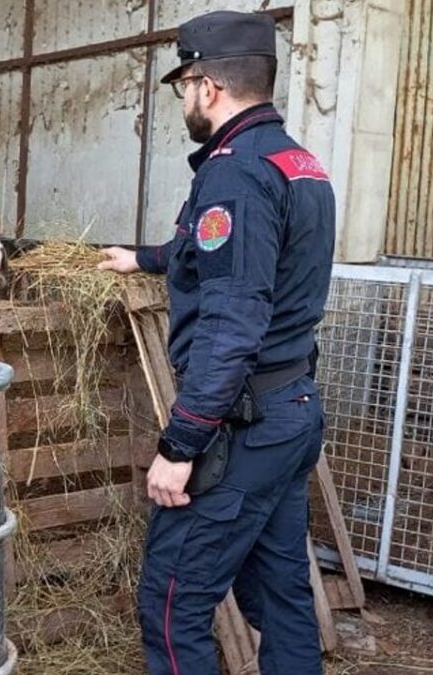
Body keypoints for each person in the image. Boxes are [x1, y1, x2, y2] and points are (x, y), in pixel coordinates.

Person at [98, 10, 336, 675]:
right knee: (281, 594)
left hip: (242, 429)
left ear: (208, 85)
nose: (184, 101)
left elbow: (232, 327)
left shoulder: (235, 175)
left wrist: (180, 446)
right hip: (292, 410)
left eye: (184, 87)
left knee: (171, 604)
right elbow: (227, 253)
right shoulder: (297, 163)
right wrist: (145, 258)